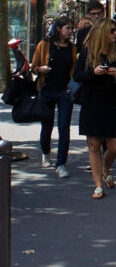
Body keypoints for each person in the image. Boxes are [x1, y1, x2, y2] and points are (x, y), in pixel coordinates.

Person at [73, 17, 116, 199]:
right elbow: (77, 76)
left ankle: (106, 167)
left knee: (113, 146)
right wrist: (94, 72)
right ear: (103, 33)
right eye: (112, 31)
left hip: (109, 100)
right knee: (94, 144)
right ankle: (98, 185)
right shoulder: (88, 50)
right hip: (92, 99)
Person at [30, 16, 76, 178]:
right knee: (47, 124)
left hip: (65, 91)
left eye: (71, 29)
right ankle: (45, 152)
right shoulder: (44, 45)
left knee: (64, 127)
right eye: (67, 28)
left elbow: (74, 69)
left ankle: (61, 164)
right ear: (58, 29)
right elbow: (33, 67)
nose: (70, 32)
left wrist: (72, 85)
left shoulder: (72, 48)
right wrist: (39, 69)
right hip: (47, 89)